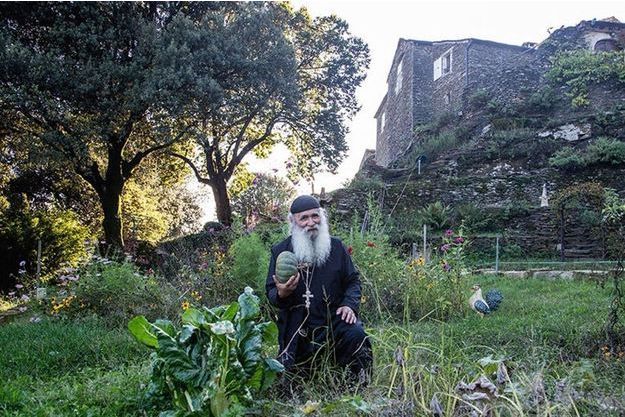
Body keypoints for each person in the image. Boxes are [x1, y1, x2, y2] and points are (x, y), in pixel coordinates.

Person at [265, 195, 372, 384]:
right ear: (293, 221)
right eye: (304, 218)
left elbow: (353, 281)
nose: (311, 222)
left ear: (322, 217)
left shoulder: (337, 247)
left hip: (334, 319)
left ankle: (357, 386)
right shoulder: (281, 251)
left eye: (315, 216)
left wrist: (349, 305)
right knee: (292, 381)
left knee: (356, 334)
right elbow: (271, 293)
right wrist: (283, 293)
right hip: (299, 325)